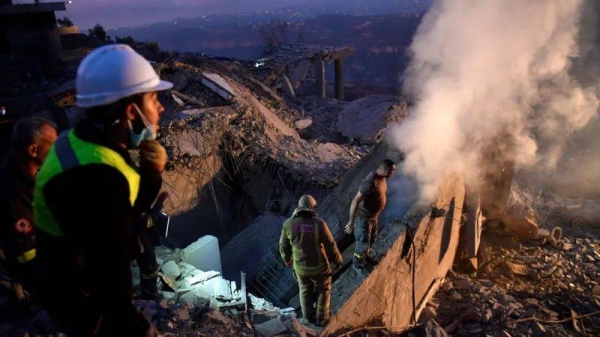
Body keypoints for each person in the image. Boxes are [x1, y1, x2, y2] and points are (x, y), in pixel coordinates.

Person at [33, 44, 172, 337]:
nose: (160, 107)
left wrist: (151, 175)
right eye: (154, 98)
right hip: (83, 303)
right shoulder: (97, 178)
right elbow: (110, 284)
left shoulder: (80, 142)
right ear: (132, 110)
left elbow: (125, 208)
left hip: (68, 284)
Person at [0, 116, 57, 314]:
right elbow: (26, 256)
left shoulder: (25, 170)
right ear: (32, 150)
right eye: (53, 144)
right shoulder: (13, 194)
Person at [279, 195, 342, 327]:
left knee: (304, 290)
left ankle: (307, 317)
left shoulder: (288, 224)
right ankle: (322, 318)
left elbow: (283, 246)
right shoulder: (319, 224)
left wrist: (286, 259)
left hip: (300, 268)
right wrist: (337, 259)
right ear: (311, 207)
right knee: (323, 289)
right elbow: (330, 244)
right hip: (319, 267)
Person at [344, 159, 396, 277]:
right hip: (363, 220)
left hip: (373, 218)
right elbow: (355, 202)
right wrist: (351, 222)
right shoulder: (369, 183)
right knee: (362, 244)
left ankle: (366, 255)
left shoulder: (382, 178)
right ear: (386, 171)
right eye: (392, 171)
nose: (392, 174)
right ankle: (357, 264)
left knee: (371, 240)